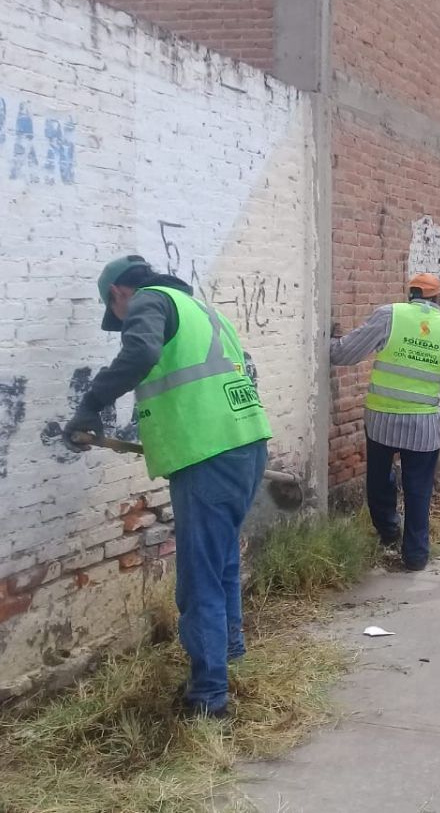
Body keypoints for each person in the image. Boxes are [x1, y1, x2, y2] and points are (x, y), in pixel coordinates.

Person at [63, 254, 272, 719]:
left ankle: (208, 699)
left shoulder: (149, 300)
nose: (121, 320)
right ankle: (229, 651)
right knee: (221, 563)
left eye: (115, 314)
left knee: (199, 581)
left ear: (119, 293)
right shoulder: (199, 309)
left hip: (207, 455)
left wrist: (91, 404)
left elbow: (140, 352)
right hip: (247, 444)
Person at [330, 274, 440, 571]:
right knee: (418, 489)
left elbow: (344, 353)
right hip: (422, 427)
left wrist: (332, 341)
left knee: (379, 480)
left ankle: (388, 531)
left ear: (411, 295)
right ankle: (416, 555)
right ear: (438, 299)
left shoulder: (388, 316)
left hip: (381, 418)